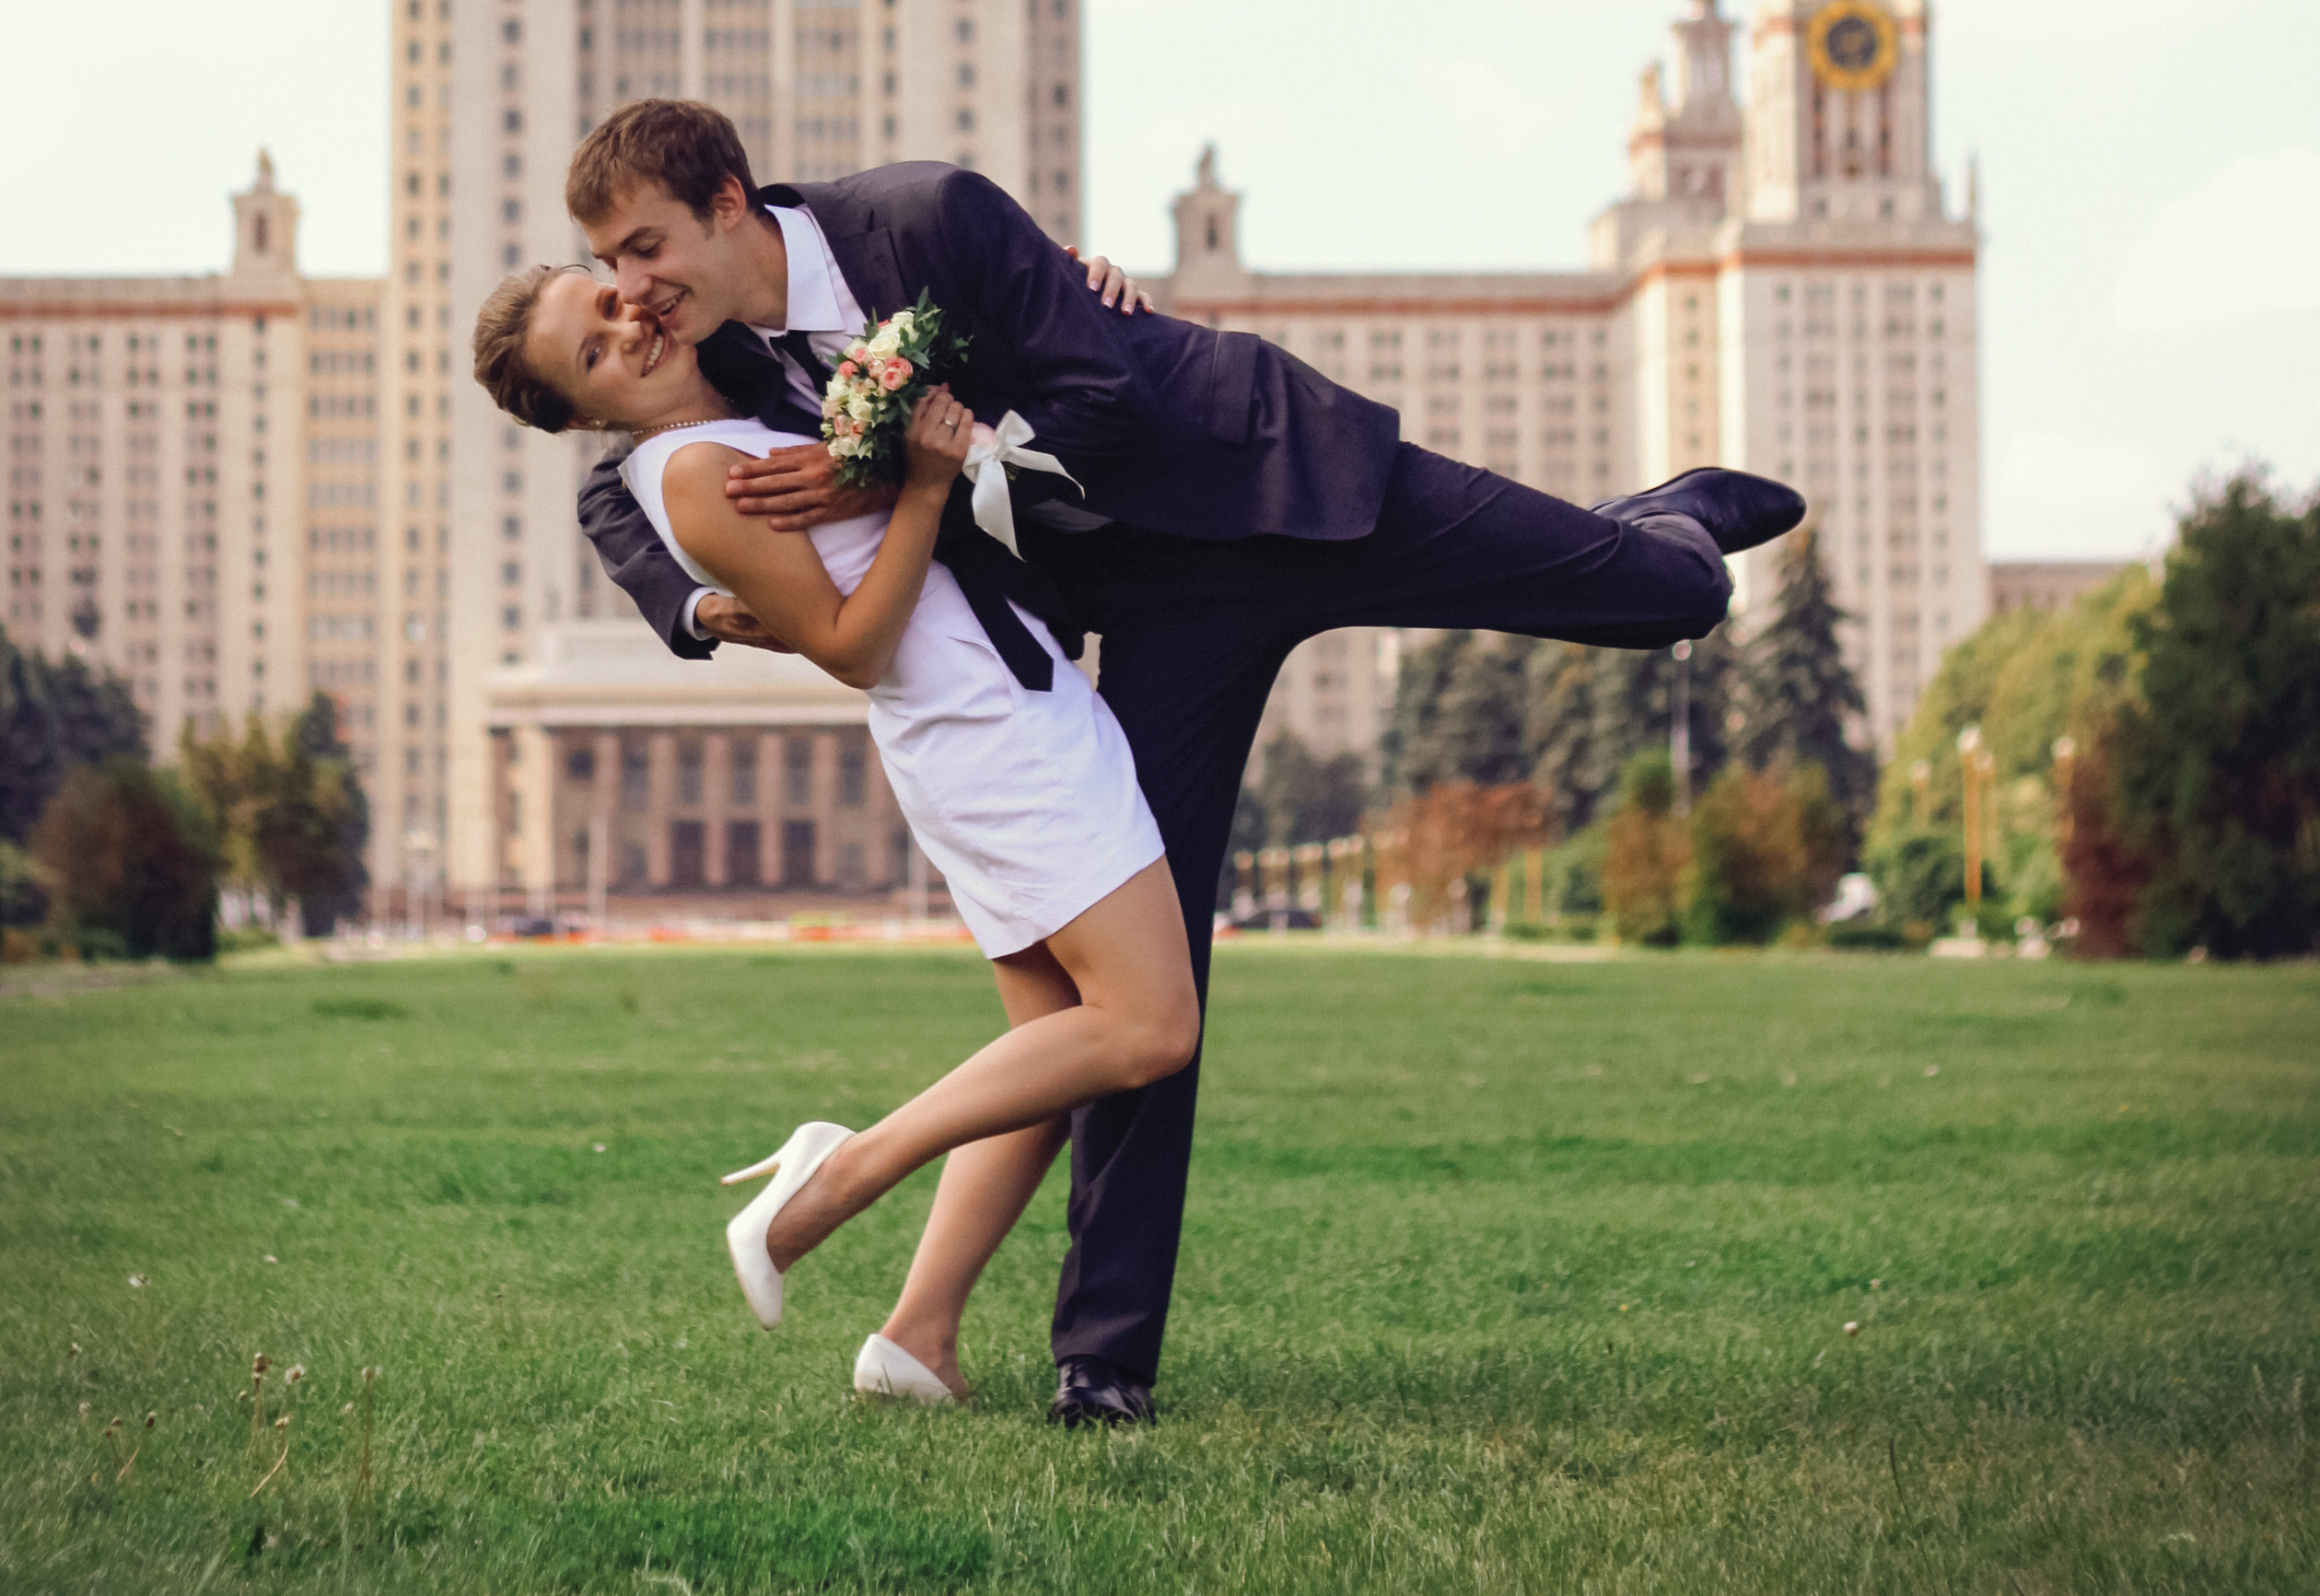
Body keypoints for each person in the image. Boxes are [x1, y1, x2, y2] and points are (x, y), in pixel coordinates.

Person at [566, 99, 1804, 1425]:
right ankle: (1102, 1364)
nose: (634, 295)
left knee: (1660, 600)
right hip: (1153, 622)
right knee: (1149, 996)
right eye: (613, 268)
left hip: (1272, 485)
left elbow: (1106, 399)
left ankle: (1658, 527)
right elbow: (612, 480)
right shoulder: (738, 362)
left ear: (731, 203)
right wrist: (706, 607)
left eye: (645, 250)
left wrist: (914, 465)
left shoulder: (925, 216)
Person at [471, 260, 1198, 1405]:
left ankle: (917, 1336)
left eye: (608, 298)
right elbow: (849, 645)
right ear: (584, 413)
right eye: (597, 350)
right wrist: (916, 483)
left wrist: (1064, 283)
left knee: (1048, 1055)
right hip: (989, 733)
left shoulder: (741, 404)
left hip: (988, 713)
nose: (631, 325)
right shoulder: (696, 474)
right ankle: (841, 1171)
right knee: (1151, 1025)